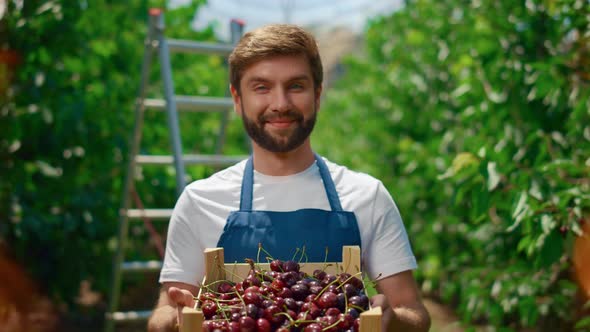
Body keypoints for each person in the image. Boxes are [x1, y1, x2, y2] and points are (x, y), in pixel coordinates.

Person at [147, 23, 431, 332]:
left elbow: (414, 313)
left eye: (296, 86)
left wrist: (392, 320)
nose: (280, 104)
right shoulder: (199, 201)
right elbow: (165, 310)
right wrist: (174, 320)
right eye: (261, 87)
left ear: (318, 95)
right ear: (237, 99)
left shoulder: (367, 195)